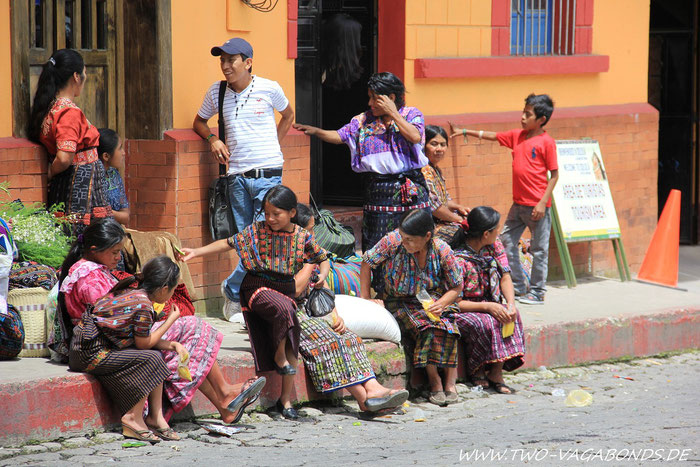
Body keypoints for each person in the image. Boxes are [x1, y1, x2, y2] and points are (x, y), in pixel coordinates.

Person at [60, 219, 265, 425]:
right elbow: (112, 321)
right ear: (94, 250)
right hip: (107, 341)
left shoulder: (96, 269)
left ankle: (225, 400)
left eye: (119, 251)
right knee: (192, 328)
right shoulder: (88, 279)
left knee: (191, 328)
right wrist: (164, 321)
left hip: (119, 333)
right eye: (114, 252)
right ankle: (224, 396)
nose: (118, 257)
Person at [180, 185, 329, 419]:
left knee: (292, 332)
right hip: (256, 286)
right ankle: (278, 356)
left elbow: (322, 258)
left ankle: (286, 400)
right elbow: (228, 243)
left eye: (276, 214)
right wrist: (196, 253)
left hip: (286, 287)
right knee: (284, 308)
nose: (270, 218)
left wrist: (322, 275)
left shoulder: (303, 237)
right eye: (267, 213)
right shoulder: (257, 230)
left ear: (291, 213)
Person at [193, 37, 295, 321]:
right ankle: (250, 298)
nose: (225, 66)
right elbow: (199, 122)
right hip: (236, 177)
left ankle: (233, 289)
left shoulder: (269, 88)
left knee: (262, 238)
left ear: (247, 62)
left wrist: (273, 144)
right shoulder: (218, 92)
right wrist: (213, 139)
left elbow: (288, 115)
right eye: (222, 60)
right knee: (244, 241)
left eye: (231, 60)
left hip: (269, 174)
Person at [294, 72, 431, 252]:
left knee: (415, 241)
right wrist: (316, 131)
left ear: (391, 98)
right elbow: (340, 135)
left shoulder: (411, 114)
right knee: (377, 244)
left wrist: (393, 113)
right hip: (378, 191)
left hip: (410, 190)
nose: (370, 103)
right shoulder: (363, 120)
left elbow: (414, 136)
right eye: (369, 98)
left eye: (375, 99)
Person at [292, 203, 409, 413]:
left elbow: (322, 284)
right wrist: (310, 260)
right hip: (294, 314)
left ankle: (372, 389)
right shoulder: (288, 254)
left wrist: (334, 315)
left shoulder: (310, 251)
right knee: (333, 342)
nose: (312, 234)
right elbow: (296, 288)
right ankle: (366, 400)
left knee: (350, 338)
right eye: (309, 230)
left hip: (314, 311)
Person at [449, 94, 558, 305]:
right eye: (523, 112)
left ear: (541, 119)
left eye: (528, 114)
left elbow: (554, 175)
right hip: (518, 204)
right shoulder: (518, 136)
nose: (523, 117)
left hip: (537, 207)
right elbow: (493, 136)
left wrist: (542, 203)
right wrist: (464, 131)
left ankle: (537, 292)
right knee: (506, 241)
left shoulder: (547, 142)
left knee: (539, 249)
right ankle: (518, 285)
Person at [68, 256, 183, 442]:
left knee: (156, 355)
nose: (172, 293)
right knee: (151, 358)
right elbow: (143, 344)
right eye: (173, 289)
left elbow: (143, 340)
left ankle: (155, 417)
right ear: (164, 289)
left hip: (92, 348)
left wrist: (172, 345)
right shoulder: (144, 305)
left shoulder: (135, 293)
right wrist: (171, 319)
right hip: (90, 353)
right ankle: (132, 418)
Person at [361, 209, 463, 406]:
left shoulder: (442, 250)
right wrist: (366, 298)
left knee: (449, 326)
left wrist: (441, 304)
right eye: (403, 237)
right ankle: (435, 382)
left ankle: (451, 383)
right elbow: (367, 262)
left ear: (426, 236)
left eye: (410, 239)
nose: (405, 242)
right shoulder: (392, 241)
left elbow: (456, 286)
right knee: (428, 328)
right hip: (399, 300)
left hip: (433, 299)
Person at [27, 48, 112, 235]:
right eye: (84, 72)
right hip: (80, 183)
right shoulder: (68, 112)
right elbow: (65, 157)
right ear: (76, 76)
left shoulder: (51, 107)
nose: (85, 77)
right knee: (86, 235)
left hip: (70, 182)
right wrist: (50, 172)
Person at [450, 207, 525, 394]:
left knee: (509, 316)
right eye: (496, 229)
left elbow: (505, 276)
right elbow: (455, 301)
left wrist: (510, 304)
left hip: (489, 301)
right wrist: (487, 307)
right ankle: (477, 371)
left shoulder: (494, 246)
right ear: (485, 234)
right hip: (464, 308)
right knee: (485, 323)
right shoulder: (458, 258)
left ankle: (496, 372)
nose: (498, 233)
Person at [421, 125, 470, 243]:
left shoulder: (436, 170)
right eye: (434, 144)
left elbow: (444, 200)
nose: (439, 149)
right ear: (424, 145)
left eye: (443, 145)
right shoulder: (424, 171)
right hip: (429, 226)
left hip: (441, 221)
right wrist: (459, 220)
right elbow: (435, 208)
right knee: (471, 234)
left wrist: (458, 207)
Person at [97, 128, 129, 225]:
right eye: (120, 148)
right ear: (106, 156)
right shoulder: (93, 177)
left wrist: (109, 213)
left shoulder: (114, 174)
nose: (123, 153)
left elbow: (126, 216)